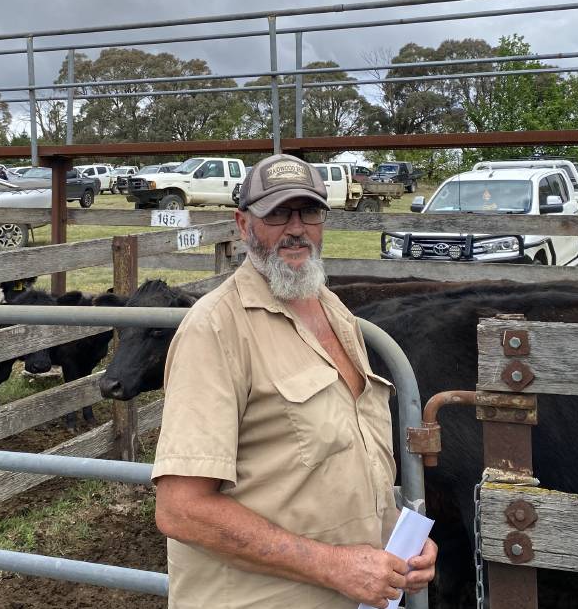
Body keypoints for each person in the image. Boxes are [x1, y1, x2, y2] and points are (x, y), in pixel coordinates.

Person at [151, 153, 437, 608]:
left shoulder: (333, 310)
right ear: (243, 224)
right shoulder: (216, 329)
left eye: (309, 211)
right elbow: (181, 510)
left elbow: (344, 464)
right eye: (277, 213)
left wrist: (398, 542)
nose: (297, 227)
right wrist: (334, 566)